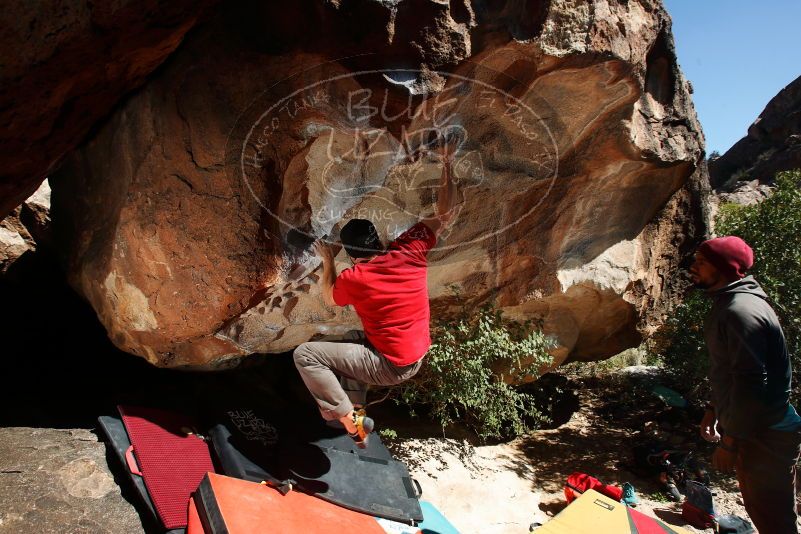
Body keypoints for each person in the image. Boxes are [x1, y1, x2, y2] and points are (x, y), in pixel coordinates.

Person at [293, 138, 460, 448]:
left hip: (390, 366)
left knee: (306, 355)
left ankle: (345, 417)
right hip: (413, 356)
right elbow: (446, 213)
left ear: (353, 255)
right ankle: (356, 416)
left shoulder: (357, 277)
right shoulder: (410, 249)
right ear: (379, 240)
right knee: (356, 342)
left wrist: (328, 260)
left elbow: (329, 297)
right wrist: (447, 163)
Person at [691, 235, 801, 533]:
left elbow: (752, 382)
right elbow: (730, 370)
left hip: (765, 434)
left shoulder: (741, 310)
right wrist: (714, 409)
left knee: (773, 519)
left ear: (723, 268)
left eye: (701, 263)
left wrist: (730, 441)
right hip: (759, 428)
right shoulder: (731, 303)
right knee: (765, 511)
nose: (694, 268)